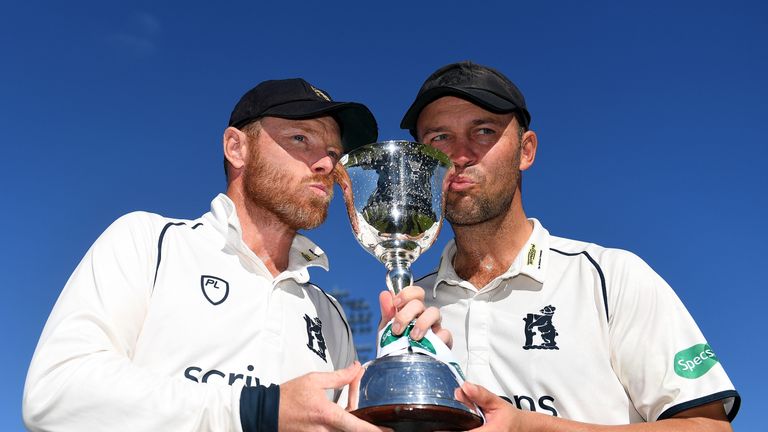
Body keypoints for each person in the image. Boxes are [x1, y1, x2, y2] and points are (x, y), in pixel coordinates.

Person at [23, 78, 445, 432]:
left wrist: (409, 377)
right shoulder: (149, 242)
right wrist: (255, 411)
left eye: (333, 154)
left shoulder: (327, 312)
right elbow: (55, 393)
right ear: (236, 147)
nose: (324, 164)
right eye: (301, 140)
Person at [400, 61, 740, 431]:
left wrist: (527, 426)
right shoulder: (414, 302)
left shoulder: (610, 276)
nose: (460, 155)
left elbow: (709, 427)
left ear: (526, 151)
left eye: (483, 131)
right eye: (439, 138)